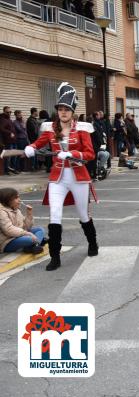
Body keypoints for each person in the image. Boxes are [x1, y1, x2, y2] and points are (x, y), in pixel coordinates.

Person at [24, 82, 98, 271]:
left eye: (67, 109)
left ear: (73, 111)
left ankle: (92, 243)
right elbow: (39, 143)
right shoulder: (50, 128)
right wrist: (31, 148)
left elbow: (90, 154)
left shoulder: (82, 129)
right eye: (60, 109)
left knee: (83, 215)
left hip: (79, 177)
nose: (63, 112)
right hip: (58, 178)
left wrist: (73, 154)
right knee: (54, 215)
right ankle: (55, 256)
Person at [0, 188, 45, 254]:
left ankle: (34, 246)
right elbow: (8, 230)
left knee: (40, 230)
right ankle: (36, 244)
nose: (19, 200)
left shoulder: (16, 210)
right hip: (7, 242)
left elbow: (27, 227)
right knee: (29, 239)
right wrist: (27, 234)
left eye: (18, 197)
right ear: (7, 200)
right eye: (16, 198)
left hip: (19, 235)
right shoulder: (1, 212)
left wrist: (29, 214)